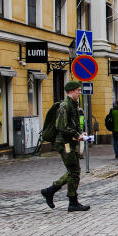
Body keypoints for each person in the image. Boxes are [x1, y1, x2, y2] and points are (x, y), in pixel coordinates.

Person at [40, 81, 90, 211]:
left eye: (80, 90)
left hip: (70, 142)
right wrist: (75, 134)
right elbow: (61, 126)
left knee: (74, 171)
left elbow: (74, 123)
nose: (80, 92)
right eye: (78, 90)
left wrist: (80, 133)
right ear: (71, 91)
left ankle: (52, 192)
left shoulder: (73, 105)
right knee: (74, 171)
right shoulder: (64, 105)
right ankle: (69, 200)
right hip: (64, 143)